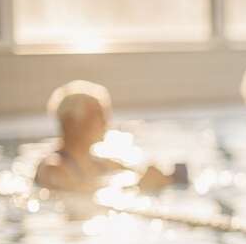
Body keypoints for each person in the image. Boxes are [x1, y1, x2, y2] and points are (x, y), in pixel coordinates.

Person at [34, 80, 183, 193]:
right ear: (72, 123)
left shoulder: (103, 164)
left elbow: (137, 173)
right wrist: (137, 187)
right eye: (98, 115)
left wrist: (160, 177)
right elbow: (76, 192)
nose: (106, 123)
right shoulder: (53, 167)